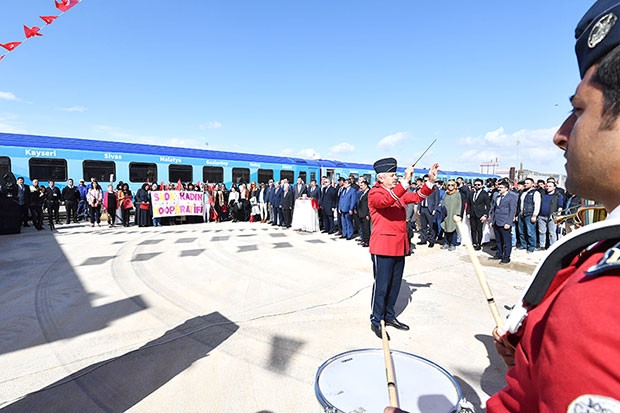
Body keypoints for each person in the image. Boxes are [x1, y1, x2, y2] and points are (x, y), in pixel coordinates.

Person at [487, 1, 620, 411]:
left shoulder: (603, 308)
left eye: (578, 110)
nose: (561, 135)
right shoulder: (597, 252)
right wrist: (536, 348)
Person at [368, 158, 439, 340]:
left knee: (394, 285)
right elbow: (384, 202)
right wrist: (405, 181)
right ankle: (377, 319)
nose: (395, 178)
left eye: (396, 175)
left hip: (399, 246)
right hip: (383, 247)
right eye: (392, 175)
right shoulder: (375, 193)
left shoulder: (395, 192)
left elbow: (417, 197)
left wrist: (429, 181)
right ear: (381, 178)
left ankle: (389, 315)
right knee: (382, 286)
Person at [488, 180, 518, 264]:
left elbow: (512, 211)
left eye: (501, 187)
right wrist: (492, 221)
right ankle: (499, 254)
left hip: (505, 222)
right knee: (498, 240)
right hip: (496, 221)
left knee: (506, 241)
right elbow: (494, 209)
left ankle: (506, 257)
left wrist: (508, 223)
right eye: (498, 187)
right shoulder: (497, 196)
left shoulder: (511, 197)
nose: (499, 189)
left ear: (506, 188)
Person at [439, 180, 462, 251]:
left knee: (453, 229)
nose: (450, 186)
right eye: (448, 185)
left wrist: (457, 214)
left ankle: (453, 244)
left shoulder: (457, 194)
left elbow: (459, 204)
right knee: (445, 228)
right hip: (446, 214)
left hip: (453, 214)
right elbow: (442, 202)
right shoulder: (446, 193)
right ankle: (446, 243)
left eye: (452, 185)